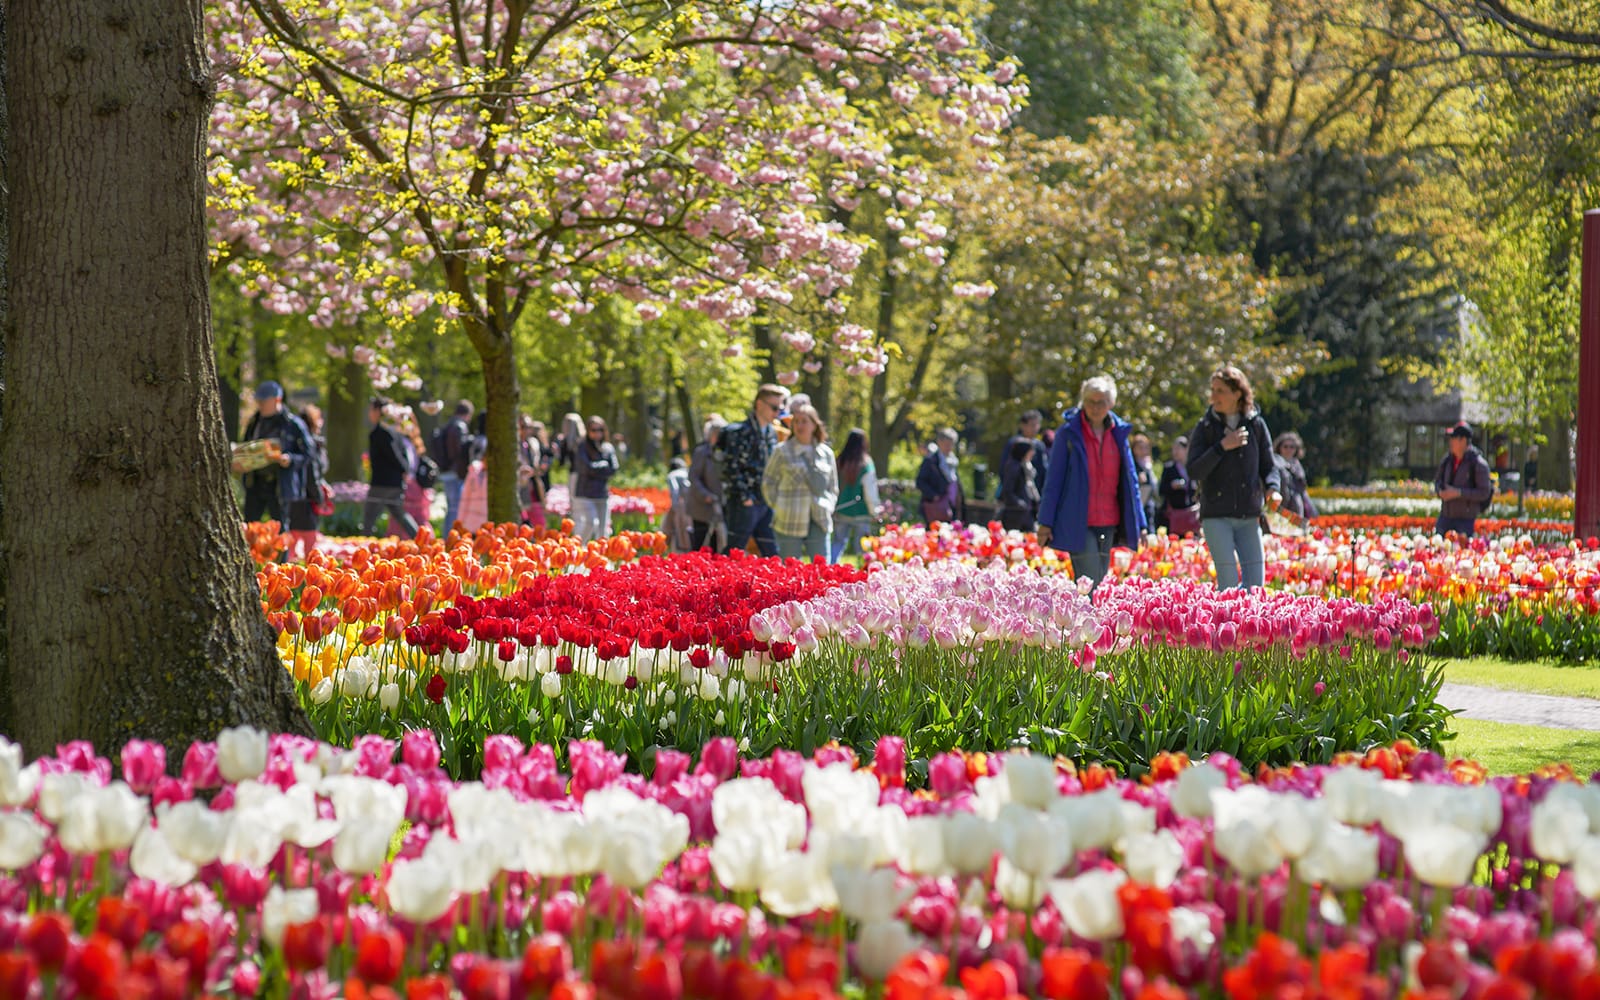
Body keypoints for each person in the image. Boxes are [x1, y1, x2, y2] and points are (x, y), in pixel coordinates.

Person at [1036, 376, 1145, 589]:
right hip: (1078, 520)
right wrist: (1045, 522)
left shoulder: (1119, 433)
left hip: (1109, 519)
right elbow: (1054, 480)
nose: (1095, 407)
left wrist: (1140, 523)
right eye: (1090, 401)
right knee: (1091, 581)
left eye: (1101, 402)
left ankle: (1088, 620)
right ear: (1083, 402)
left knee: (1100, 581)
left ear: (1111, 403)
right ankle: (1090, 621)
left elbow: (1131, 482)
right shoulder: (1068, 434)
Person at [1187, 366, 1282, 589]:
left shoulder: (1256, 424)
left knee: (1255, 585)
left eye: (1220, 390)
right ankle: (1228, 624)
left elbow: (1269, 466)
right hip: (1216, 516)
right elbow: (1193, 471)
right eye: (1212, 390)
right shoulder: (1205, 427)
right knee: (1228, 583)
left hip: (1249, 515)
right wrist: (1222, 447)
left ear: (1237, 393)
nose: (1213, 396)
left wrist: (1272, 488)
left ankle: (1246, 625)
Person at [719, 384, 788, 555]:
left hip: (766, 501)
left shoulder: (772, 433)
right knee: (734, 550)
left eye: (781, 408)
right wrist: (745, 497)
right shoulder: (739, 432)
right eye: (774, 407)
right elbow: (731, 468)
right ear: (759, 404)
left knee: (771, 553)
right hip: (745, 503)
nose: (778, 412)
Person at [762, 402, 838, 559]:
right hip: (788, 519)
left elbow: (833, 486)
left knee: (823, 570)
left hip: (819, 517)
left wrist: (828, 505)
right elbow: (768, 482)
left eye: (804, 421)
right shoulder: (781, 451)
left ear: (814, 425)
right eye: (796, 421)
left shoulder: (826, 454)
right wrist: (778, 506)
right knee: (790, 572)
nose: (799, 425)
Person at [240, 380, 317, 529]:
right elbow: (245, 446)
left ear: (277, 400)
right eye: (259, 401)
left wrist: (290, 459)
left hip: (279, 484)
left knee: (281, 528)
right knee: (249, 526)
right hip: (255, 482)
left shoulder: (293, 424)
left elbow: (309, 453)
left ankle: (281, 553)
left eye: (264, 401)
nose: (260, 404)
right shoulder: (254, 423)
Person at [361, 396, 419, 538]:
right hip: (395, 483)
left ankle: (363, 549)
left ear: (378, 411)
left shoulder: (380, 432)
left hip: (382, 483)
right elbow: (403, 454)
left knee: (369, 518)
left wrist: (403, 468)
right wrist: (404, 470)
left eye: (371, 410)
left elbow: (394, 455)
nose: (369, 414)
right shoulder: (395, 431)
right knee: (399, 514)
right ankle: (421, 539)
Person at [1434, 421, 1494, 537]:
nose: (1450, 442)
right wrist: (1440, 491)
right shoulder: (1447, 460)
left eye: (1454, 438)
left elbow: (1484, 492)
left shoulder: (1478, 464)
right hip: (1445, 518)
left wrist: (1459, 493)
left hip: (1465, 521)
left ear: (1463, 440)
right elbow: (1437, 481)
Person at [831, 428, 881, 562]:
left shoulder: (839, 461)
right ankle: (862, 575)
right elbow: (870, 491)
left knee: (837, 543)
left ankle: (829, 570)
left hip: (841, 510)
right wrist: (875, 511)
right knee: (862, 548)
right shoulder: (866, 464)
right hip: (862, 512)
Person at [285, 403, 328, 560]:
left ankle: (287, 573)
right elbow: (312, 474)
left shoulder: (293, 444)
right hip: (308, 498)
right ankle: (308, 577)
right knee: (310, 541)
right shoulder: (311, 446)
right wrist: (319, 497)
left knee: (293, 539)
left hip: (294, 495)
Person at [572, 415, 619, 541]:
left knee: (603, 528)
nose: (597, 433)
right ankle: (579, 547)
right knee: (591, 522)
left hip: (602, 492)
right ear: (588, 431)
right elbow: (585, 469)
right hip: (586, 492)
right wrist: (603, 465)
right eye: (594, 430)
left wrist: (596, 468)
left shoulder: (608, 448)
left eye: (600, 430)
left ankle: (601, 555)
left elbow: (614, 468)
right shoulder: (582, 446)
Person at [687, 415, 728, 552]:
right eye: (717, 434)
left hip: (720, 506)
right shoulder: (702, 452)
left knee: (717, 544)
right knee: (699, 542)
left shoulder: (725, 453)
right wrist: (705, 495)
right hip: (702, 506)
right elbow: (694, 477)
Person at [433, 400, 474, 531]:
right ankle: (451, 538)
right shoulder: (459, 427)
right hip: (455, 473)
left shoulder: (447, 425)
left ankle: (448, 537)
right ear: (467, 414)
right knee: (455, 508)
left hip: (445, 470)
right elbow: (458, 452)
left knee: (451, 507)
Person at [916, 428, 964, 525]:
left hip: (951, 505)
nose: (949, 447)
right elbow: (920, 481)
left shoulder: (953, 461)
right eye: (946, 444)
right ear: (939, 442)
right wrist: (934, 496)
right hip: (935, 506)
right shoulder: (930, 461)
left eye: (951, 444)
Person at [1003, 409, 1049, 511]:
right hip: (1018, 498)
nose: (1035, 428)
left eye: (1037, 425)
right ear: (1023, 425)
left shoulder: (1039, 446)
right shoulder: (1014, 444)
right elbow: (1004, 470)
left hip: (1034, 495)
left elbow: (1044, 471)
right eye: (1032, 425)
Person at [1156, 435, 1198, 535]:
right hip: (1174, 515)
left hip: (1192, 514)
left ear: (1186, 449)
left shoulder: (1193, 467)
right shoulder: (1169, 468)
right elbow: (1161, 490)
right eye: (1173, 449)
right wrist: (1172, 486)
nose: (1175, 452)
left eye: (1178, 448)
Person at [1271, 432, 1317, 522]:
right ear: (1279, 448)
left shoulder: (1297, 465)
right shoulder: (1274, 464)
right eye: (1285, 446)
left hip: (1297, 508)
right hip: (1281, 507)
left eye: (1292, 447)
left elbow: (1303, 490)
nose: (1289, 449)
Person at [997, 437, 1040, 532]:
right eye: (1031, 450)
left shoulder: (1027, 466)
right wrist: (1020, 504)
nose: (1033, 453)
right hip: (1016, 513)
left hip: (1027, 512)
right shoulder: (1014, 467)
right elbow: (1007, 490)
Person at [518, 414, 548, 529]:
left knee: (540, 524)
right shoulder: (513, 445)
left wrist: (539, 469)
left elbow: (537, 463)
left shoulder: (533, 444)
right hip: (520, 489)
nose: (526, 430)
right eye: (523, 426)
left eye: (529, 427)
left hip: (534, 488)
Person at [663, 458, 695, 552]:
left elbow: (675, 490)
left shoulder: (672, 475)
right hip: (693, 502)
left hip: (681, 502)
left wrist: (675, 506)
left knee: (678, 527)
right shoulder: (686, 472)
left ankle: (681, 548)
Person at [1129, 432, 1158, 532]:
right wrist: (1137, 479)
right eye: (1140, 447)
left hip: (1148, 505)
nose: (1143, 450)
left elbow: (1154, 485)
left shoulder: (1148, 464)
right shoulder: (1131, 465)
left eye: (1146, 447)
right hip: (1137, 505)